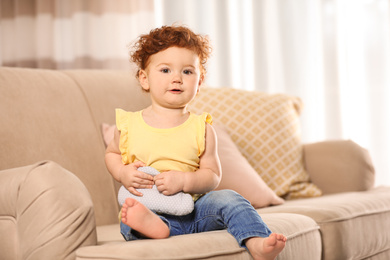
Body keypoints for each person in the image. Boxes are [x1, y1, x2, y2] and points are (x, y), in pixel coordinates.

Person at [105, 25, 287, 260]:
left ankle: (256, 241)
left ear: (199, 83)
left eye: (188, 72)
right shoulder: (128, 124)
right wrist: (122, 172)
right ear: (144, 78)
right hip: (151, 207)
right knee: (130, 219)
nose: (177, 78)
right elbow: (112, 154)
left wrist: (184, 180)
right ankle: (156, 227)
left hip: (196, 211)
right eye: (165, 70)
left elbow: (212, 175)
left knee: (230, 198)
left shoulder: (202, 128)